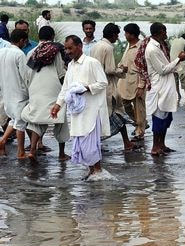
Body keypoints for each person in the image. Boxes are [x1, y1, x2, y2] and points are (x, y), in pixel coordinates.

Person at [51, 35, 110, 179]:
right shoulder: (70, 65)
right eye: (65, 48)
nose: (67, 51)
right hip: (77, 112)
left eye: (70, 48)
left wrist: (86, 88)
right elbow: (66, 88)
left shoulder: (91, 63)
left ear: (79, 46)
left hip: (91, 111)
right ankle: (93, 172)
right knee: (81, 144)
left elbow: (103, 83)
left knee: (90, 145)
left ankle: (98, 172)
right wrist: (58, 105)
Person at [21, 25, 69, 161]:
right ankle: (61, 154)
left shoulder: (31, 52)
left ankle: (32, 150)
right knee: (61, 122)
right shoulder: (56, 50)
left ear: (39, 37)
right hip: (53, 90)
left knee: (36, 121)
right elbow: (60, 73)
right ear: (53, 36)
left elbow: (27, 75)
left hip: (35, 90)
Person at [144, 22, 185, 156]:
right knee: (158, 119)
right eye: (164, 31)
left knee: (166, 118)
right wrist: (178, 60)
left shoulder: (160, 46)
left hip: (166, 88)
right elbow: (162, 70)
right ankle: (155, 147)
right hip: (159, 88)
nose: (166, 34)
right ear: (158, 33)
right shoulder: (152, 49)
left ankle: (161, 145)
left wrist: (176, 62)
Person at [90, 22, 134, 152]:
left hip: (96, 85)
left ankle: (126, 143)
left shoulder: (95, 46)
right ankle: (125, 143)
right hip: (107, 86)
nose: (118, 38)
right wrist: (121, 70)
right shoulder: (108, 48)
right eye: (117, 35)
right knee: (116, 114)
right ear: (114, 35)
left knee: (107, 115)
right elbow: (109, 69)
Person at [0, 29, 30, 159]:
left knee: (14, 119)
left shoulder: (1, 51)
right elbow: (25, 76)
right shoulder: (19, 54)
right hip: (19, 93)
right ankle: (21, 152)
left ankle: (2, 141)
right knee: (21, 123)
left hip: (6, 91)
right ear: (22, 41)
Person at [117, 23, 146, 141]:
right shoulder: (128, 46)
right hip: (125, 82)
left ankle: (140, 131)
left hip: (137, 81)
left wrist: (141, 86)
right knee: (124, 104)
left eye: (126, 33)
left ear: (132, 35)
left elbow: (144, 68)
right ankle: (140, 124)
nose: (124, 35)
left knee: (139, 108)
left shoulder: (141, 48)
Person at [169, 33, 185, 101]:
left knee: (175, 81)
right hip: (181, 64)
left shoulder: (174, 40)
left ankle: (178, 95)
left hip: (172, 63)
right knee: (184, 80)